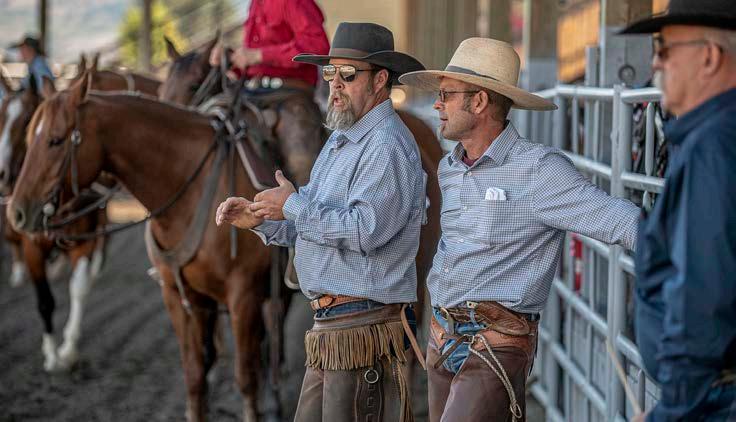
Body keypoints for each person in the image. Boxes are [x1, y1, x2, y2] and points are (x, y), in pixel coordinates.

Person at [399, 38, 640, 421]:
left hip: (497, 341)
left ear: (479, 101)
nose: (436, 105)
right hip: (442, 337)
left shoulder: (539, 170)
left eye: (446, 95)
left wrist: (694, 253)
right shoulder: (450, 168)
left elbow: (621, 221)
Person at [215, 22, 426, 421]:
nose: (335, 84)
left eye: (348, 74)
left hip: (362, 327)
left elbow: (364, 230)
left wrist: (292, 205)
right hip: (335, 327)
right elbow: (311, 223)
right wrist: (260, 221)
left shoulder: (386, 145)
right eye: (330, 73)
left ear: (380, 80)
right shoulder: (340, 140)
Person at [619, 1, 736, 420]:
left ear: (710, 57)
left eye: (665, 49)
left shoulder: (713, 146)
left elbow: (704, 300)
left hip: (712, 399)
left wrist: (671, 412)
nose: (655, 63)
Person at [209, 0, 329, 90]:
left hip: (292, 89)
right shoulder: (255, 4)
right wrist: (231, 62)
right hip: (258, 87)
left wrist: (260, 55)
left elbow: (318, 46)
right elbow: (251, 54)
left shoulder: (292, 2)